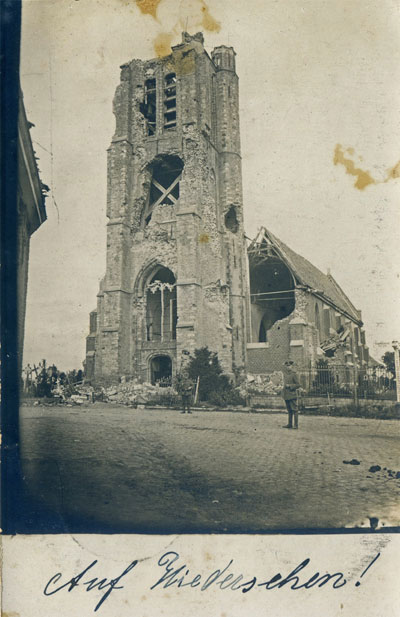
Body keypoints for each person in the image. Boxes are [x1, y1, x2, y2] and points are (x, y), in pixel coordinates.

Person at [282, 360, 301, 429]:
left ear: (292, 366)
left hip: (292, 395)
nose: (288, 367)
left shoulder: (294, 374)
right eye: (287, 366)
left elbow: (298, 384)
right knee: (289, 410)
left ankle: (296, 425)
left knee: (295, 410)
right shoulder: (285, 374)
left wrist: (290, 386)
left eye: (289, 366)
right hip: (286, 395)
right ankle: (290, 424)